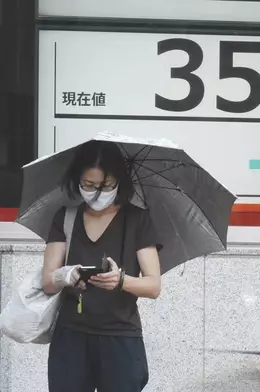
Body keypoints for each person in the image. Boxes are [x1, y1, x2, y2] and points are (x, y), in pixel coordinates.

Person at [41, 140, 163, 392]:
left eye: (106, 185)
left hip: (120, 336)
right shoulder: (65, 217)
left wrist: (121, 281)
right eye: (89, 185)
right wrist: (66, 275)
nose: (97, 192)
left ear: (119, 181)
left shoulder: (137, 219)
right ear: (77, 180)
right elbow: (48, 282)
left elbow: (153, 286)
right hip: (71, 336)